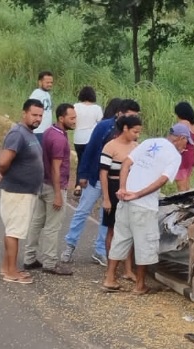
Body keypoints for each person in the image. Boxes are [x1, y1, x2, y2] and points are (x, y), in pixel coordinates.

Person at [101, 124, 189, 295]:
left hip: (125, 200)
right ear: (181, 138)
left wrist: (123, 188)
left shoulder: (149, 142)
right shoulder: (174, 155)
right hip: (144, 205)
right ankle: (140, 285)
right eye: (186, 143)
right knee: (145, 243)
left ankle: (109, 278)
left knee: (120, 238)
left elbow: (126, 163)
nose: (186, 147)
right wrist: (138, 194)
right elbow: (163, 180)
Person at [60, 99, 141, 266]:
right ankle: (70, 244)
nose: (133, 120)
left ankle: (100, 250)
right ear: (121, 113)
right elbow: (90, 150)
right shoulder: (104, 127)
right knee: (82, 211)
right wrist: (82, 174)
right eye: (131, 116)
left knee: (107, 217)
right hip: (95, 177)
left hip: (115, 183)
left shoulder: (132, 137)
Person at [0, 99, 44, 284]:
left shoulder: (29, 133)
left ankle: (7, 267)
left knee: (13, 230)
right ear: (24, 113)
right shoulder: (18, 134)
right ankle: (11, 271)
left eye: (40, 115)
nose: (37, 118)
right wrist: (3, 172)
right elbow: (3, 161)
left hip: (25, 192)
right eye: (34, 114)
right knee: (14, 231)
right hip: (18, 192)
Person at [23, 103, 77, 275]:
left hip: (42, 183)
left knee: (37, 222)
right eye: (72, 118)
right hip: (54, 186)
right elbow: (56, 168)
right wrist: (58, 195)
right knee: (53, 226)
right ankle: (50, 262)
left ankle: (29, 258)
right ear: (62, 118)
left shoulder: (49, 132)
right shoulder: (60, 140)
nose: (75, 121)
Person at [100, 115, 142, 283]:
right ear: (125, 128)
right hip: (113, 188)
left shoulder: (136, 147)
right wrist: (106, 198)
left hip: (130, 190)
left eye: (139, 132)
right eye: (134, 131)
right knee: (112, 229)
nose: (137, 135)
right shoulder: (110, 147)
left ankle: (128, 269)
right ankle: (112, 267)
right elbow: (103, 173)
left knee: (129, 231)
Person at [73, 86, 103, 197]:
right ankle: (88, 185)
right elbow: (100, 123)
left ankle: (78, 185)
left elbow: (73, 121)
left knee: (81, 161)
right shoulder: (97, 109)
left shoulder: (75, 106)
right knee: (90, 162)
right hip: (90, 139)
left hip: (78, 138)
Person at [174, 101, 194, 192]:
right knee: (186, 180)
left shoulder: (182, 124)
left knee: (181, 183)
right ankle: (188, 198)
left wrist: (180, 147)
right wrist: (193, 143)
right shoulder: (192, 125)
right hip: (190, 154)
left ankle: (184, 201)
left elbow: (180, 138)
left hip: (182, 156)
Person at [29, 71, 54, 144]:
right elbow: (30, 111)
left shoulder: (47, 94)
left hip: (46, 131)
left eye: (51, 82)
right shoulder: (36, 94)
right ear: (40, 82)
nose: (50, 84)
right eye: (47, 82)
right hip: (38, 131)